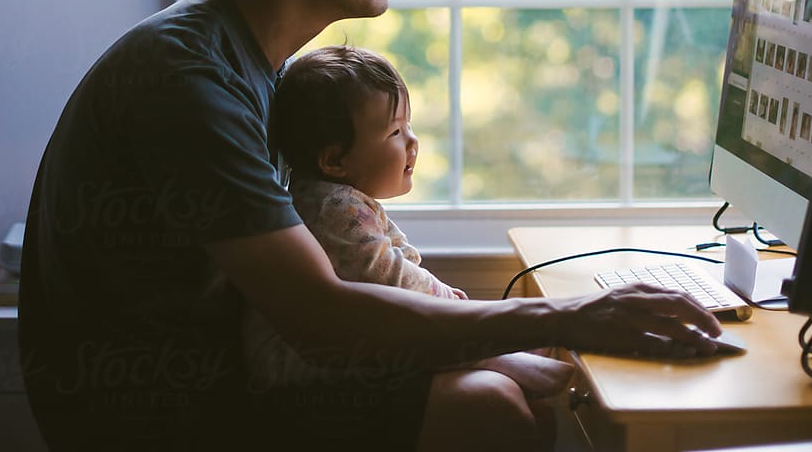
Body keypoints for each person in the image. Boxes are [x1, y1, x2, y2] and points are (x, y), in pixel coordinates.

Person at [18, 0, 723, 452]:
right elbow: (318, 316)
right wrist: (564, 317)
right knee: (488, 406)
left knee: (511, 389)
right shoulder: (189, 81)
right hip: (165, 425)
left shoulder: (249, 61)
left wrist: (542, 324)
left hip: (226, 388)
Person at [244, 46, 575, 443]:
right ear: (334, 160)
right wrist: (463, 316)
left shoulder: (347, 200)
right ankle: (485, 353)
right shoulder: (333, 208)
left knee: (534, 407)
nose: (413, 142)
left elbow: (403, 262)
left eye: (409, 127)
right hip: (301, 370)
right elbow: (392, 279)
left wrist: (456, 307)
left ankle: (486, 352)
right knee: (497, 384)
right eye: (395, 132)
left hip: (343, 348)